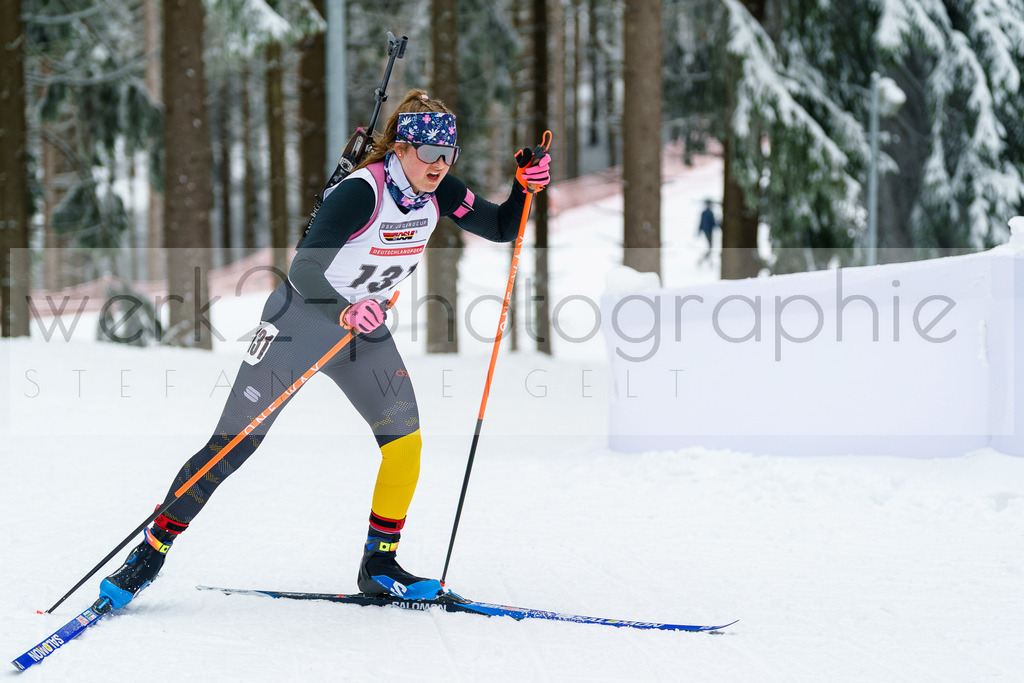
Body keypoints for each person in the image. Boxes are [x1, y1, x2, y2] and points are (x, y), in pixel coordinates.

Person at [98, 89, 552, 607]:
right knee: (234, 444)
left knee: (405, 439)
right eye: (428, 154)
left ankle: (379, 564)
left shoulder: (439, 190)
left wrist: (524, 189)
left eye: (448, 156)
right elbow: (303, 269)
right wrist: (343, 310)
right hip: (302, 323)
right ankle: (150, 553)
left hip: (360, 334)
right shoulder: (361, 193)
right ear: (400, 148)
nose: (438, 166)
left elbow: (499, 226)